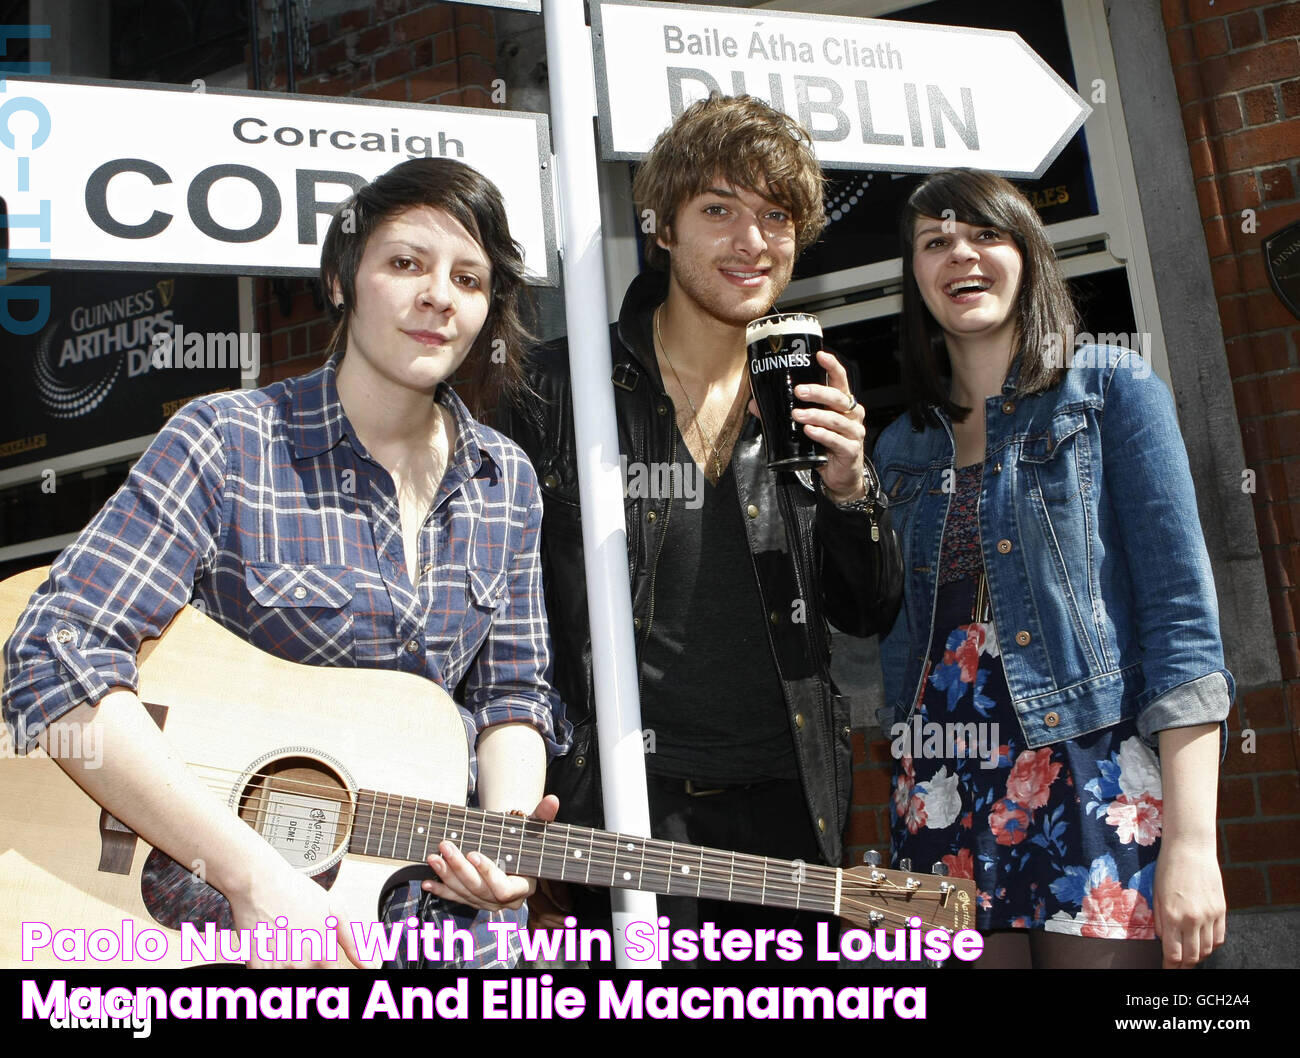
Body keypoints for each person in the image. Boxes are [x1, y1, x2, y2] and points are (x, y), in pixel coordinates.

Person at [2, 157, 570, 969]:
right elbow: (53, 654)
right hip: (224, 932)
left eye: (469, 279)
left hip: (444, 940)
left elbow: (514, 689)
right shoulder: (228, 442)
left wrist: (502, 839)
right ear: (341, 279)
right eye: (405, 263)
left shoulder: (505, 479)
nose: (439, 296)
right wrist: (249, 876)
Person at [505, 94, 903, 963]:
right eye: (718, 210)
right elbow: (507, 613)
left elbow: (870, 611)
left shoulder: (808, 390)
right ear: (663, 228)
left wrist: (850, 490)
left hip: (792, 806)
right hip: (623, 809)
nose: (750, 243)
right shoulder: (565, 389)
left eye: (774, 216)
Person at [873, 168, 1231, 969]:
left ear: (1027, 255)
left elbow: (1181, 622)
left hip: (1091, 777)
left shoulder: (1112, 389)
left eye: (983, 234)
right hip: (940, 787)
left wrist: (1194, 843)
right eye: (934, 242)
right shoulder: (901, 450)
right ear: (917, 280)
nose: (958, 253)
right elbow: (894, 644)